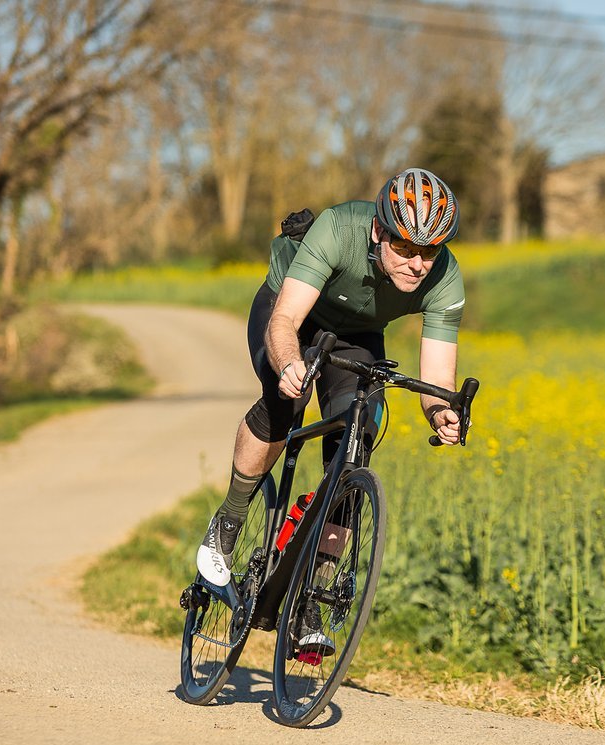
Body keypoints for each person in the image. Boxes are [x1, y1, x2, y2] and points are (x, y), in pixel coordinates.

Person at [196, 167, 466, 655]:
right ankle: (229, 523)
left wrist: (440, 412)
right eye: (405, 247)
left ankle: (309, 598)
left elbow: (437, 380)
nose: (418, 263)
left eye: (429, 251)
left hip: (358, 334)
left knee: (357, 437)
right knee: (288, 399)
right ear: (380, 231)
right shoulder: (340, 229)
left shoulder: (445, 276)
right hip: (292, 307)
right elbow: (284, 321)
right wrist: (289, 365)